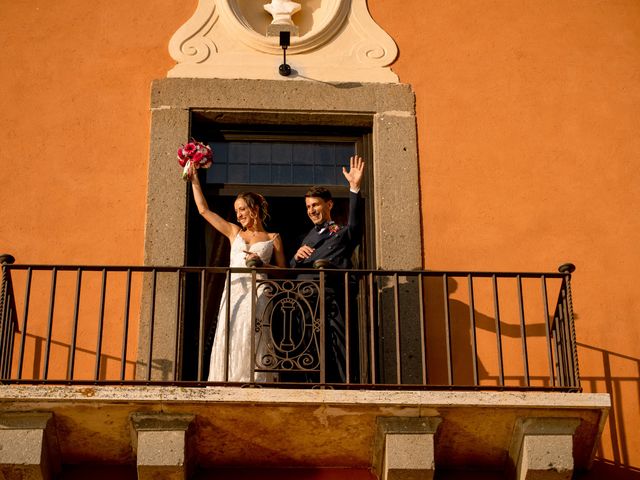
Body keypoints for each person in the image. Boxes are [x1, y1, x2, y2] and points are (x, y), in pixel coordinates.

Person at [188, 166, 286, 382]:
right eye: (237, 210)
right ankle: (228, 380)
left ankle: (255, 381)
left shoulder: (273, 237)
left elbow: (284, 273)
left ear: (255, 208)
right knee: (232, 333)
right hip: (234, 295)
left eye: (242, 209)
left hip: (260, 295)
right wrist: (195, 179)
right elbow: (204, 210)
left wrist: (262, 266)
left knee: (255, 335)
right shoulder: (234, 232)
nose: (239, 214)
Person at [290, 155, 365, 382]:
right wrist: (295, 258)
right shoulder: (306, 237)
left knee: (339, 346)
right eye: (308, 207)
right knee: (307, 346)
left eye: (315, 205)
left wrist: (354, 188)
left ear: (329, 204)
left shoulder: (343, 232)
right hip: (304, 301)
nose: (311, 210)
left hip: (334, 299)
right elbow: (292, 269)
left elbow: (356, 223)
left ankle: (344, 386)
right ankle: (312, 385)